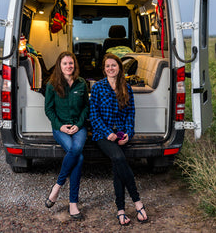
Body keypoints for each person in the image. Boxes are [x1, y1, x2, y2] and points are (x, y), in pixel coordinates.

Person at [89, 53, 148, 226]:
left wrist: (129, 132)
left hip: (121, 133)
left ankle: (120, 210)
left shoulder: (126, 87)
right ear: (104, 69)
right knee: (119, 158)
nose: (110, 68)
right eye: (107, 66)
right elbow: (94, 115)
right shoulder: (98, 88)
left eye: (113, 65)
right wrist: (108, 132)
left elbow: (131, 113)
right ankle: (138, 202)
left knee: (118, 167)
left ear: (119, 68)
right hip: (103, 135)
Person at [44, 51, 89, 220]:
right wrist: (60, 126)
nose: (68, 66)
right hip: (60, 127)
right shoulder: (52, 84)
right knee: (79, 156)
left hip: (79, 127)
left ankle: (57, 186)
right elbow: (48, 109)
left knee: (76, 148)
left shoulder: (81, 83)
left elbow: (86, 107)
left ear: (74, 65)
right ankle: (73, 203)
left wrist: (78, 125)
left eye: (71, 63)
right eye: (65, 63)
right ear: (59, 66)